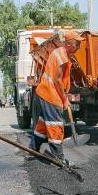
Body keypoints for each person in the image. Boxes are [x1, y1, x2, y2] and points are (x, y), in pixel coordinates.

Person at [30, 31, 84, 166]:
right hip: (51, 94)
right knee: (55, 126)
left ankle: (32, 149)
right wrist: (65, 100)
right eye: (77, 43)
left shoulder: (61, 52)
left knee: (43, 125)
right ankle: (58, 158)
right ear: (69, 44)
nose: (79, 46)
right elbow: (58, 81)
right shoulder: (62, 58)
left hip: (44, 92)